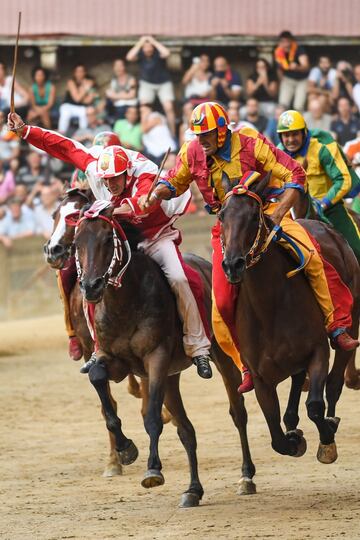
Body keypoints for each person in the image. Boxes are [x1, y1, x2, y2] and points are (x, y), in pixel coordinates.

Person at [142, 101, 359, 393]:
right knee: (221, 304)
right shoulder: (191, 151)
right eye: (197, 135)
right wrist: (157, 193)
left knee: (312, 257)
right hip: (228, 228)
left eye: (206, 134)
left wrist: (280, 212)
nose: (201, 140)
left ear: (222, 131)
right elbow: (175, 180)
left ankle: (337, 326)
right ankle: (245, 364)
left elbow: (295, 174)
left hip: (266, 214)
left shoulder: (252, 145)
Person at [8, 112, 213, 379]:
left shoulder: (146, 175)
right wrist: (25, 131)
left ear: (127, 172)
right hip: (121, 236)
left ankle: (199, 348)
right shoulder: (96, 166)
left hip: (155, 236)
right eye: (106, 180)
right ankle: (96, 346)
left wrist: (118, 208)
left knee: (179, 277)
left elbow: (141, 202)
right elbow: (64, 146)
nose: (110, 185)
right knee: (90, 278)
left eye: (116, 179)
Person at [277, 109, 360, 261]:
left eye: (295, 134)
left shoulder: (322, 148)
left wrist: (323, 204)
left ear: (304, 133)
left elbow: (343, 179)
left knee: (356, 249)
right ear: (280, 137)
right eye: (286, 135)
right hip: (293, 212)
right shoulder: (278, 154)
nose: (290, 139)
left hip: (329, 208)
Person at [126, 35, 176, 136]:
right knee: (144, 109)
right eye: (145, 47)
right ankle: (143, 136)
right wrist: (141, 42)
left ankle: (173, 135)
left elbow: (167, 53)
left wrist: (153, 41)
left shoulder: (158, 53)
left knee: (169, 107)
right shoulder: (140, 54)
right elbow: (129, 57)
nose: (148, 49)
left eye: (150, 46)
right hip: (147, 83)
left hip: (163, 83)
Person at [274, 31, 310, 111]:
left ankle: (299, 123)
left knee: (298, 106)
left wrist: (297, 67)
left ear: (291, 41)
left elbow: (306, 66)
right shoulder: (278, 52)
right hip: (288, 79)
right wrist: (282, 81)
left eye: (287, 41)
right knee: (282, 105)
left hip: (302, 80)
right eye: (283, 42)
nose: (286, 44)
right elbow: (278, 69)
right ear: (280, 43)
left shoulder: (299, 49)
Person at [58, 65, 98, 135]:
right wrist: (85, 88)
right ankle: (61, 134)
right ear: (74, 73)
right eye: (78, 71)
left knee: (85, 113)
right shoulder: (71, 82)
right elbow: (77, 99)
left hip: (81, 108)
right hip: (68, 106)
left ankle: (82, 135)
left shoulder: (89, 82)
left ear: (85, 72)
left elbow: (88, 100)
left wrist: (81, 92)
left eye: (82, 71)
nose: (80, 73)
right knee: (66, 113)